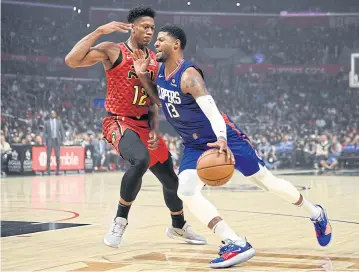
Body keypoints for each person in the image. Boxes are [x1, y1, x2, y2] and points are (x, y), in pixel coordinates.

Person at [132, 24, 332, 269]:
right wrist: (142, 75)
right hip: (195, 145)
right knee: (185, 190)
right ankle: (234, 242)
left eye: (161, 40)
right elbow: (161, 101)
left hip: (225, 137)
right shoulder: (160, 72)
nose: (156, 43)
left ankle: (316, 214)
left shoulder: (189, 76)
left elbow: (213, 112)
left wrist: (222, 139)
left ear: (176, 45)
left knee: (267, 182)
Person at [65, 6, 205, 248]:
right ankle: (120, 221)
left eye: (153, 28)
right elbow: (72, 60)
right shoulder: (113, 50)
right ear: (132, 27)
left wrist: (155, 128)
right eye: (145, 27)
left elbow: (155, 101)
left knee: (172, 181)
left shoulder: (155, 60)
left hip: (144, 125)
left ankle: (179, 226)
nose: (150, 32)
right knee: (139, 161)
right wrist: (99, 31)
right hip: (118, 121)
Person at [43, 110, 65, 175]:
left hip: (56, 140)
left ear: (55, 115)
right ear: (50, 115)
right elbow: (44, 132)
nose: (53, 115)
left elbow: (62, 130)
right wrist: (44, 141)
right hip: (49, 140)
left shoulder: (59, 122)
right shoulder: (46, 122)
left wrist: (63, 139)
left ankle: (57, 170)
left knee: (58, 156)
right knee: (48, 156)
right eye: (52, 114)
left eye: (54, 114)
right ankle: (48, 170)